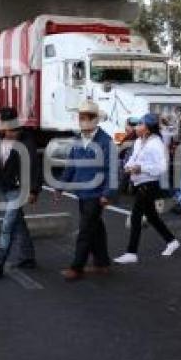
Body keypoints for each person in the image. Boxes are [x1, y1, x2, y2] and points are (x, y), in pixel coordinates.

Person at [0, 107, 41, 277]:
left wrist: (33, 190)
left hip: (19, 190)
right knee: (18, 223)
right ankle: (27, 257)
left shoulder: (26, 142)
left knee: (8, 225)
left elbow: (34, 167)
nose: (13, 133)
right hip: (5, 188)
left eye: (14, 129)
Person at [57, 100, 118, 281]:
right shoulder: (78, 140)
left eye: (84, 118)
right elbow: (71, 165)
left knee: (85, 230)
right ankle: (102, 263)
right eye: (80, 118)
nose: (81, 122)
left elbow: (113, 170)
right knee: (96, 228)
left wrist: (108, 194)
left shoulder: (106, 142)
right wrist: (60, 186)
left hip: (96, 193)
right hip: (83, 192)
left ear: (94, 120)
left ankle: (77, 267)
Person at [114, 113, 181, 264]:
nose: (136, 127)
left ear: (148, 129)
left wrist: (142, 168)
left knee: (136, 217)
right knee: (152, 216)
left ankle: (131, 252)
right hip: (139, 183)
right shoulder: (138, 141)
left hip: (149, 184)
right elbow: (133, 158)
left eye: (140, 124)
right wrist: (128, 167)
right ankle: (171, 241)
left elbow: (162, 167)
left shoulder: (156, 143)